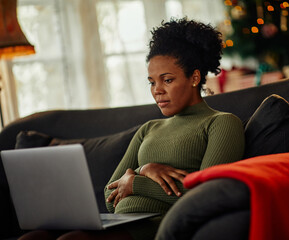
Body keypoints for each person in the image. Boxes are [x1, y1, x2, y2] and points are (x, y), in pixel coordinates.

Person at [19, 17, 245, 240]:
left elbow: (205, 198)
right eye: (152, 82)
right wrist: (144, 169)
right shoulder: (149, 128)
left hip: (158, 224)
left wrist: (135, 182)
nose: (157, 90)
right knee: (35, 236)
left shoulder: (222, 123)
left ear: (194, 77)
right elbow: (109, 194)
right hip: (121, 221)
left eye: (167, 80)